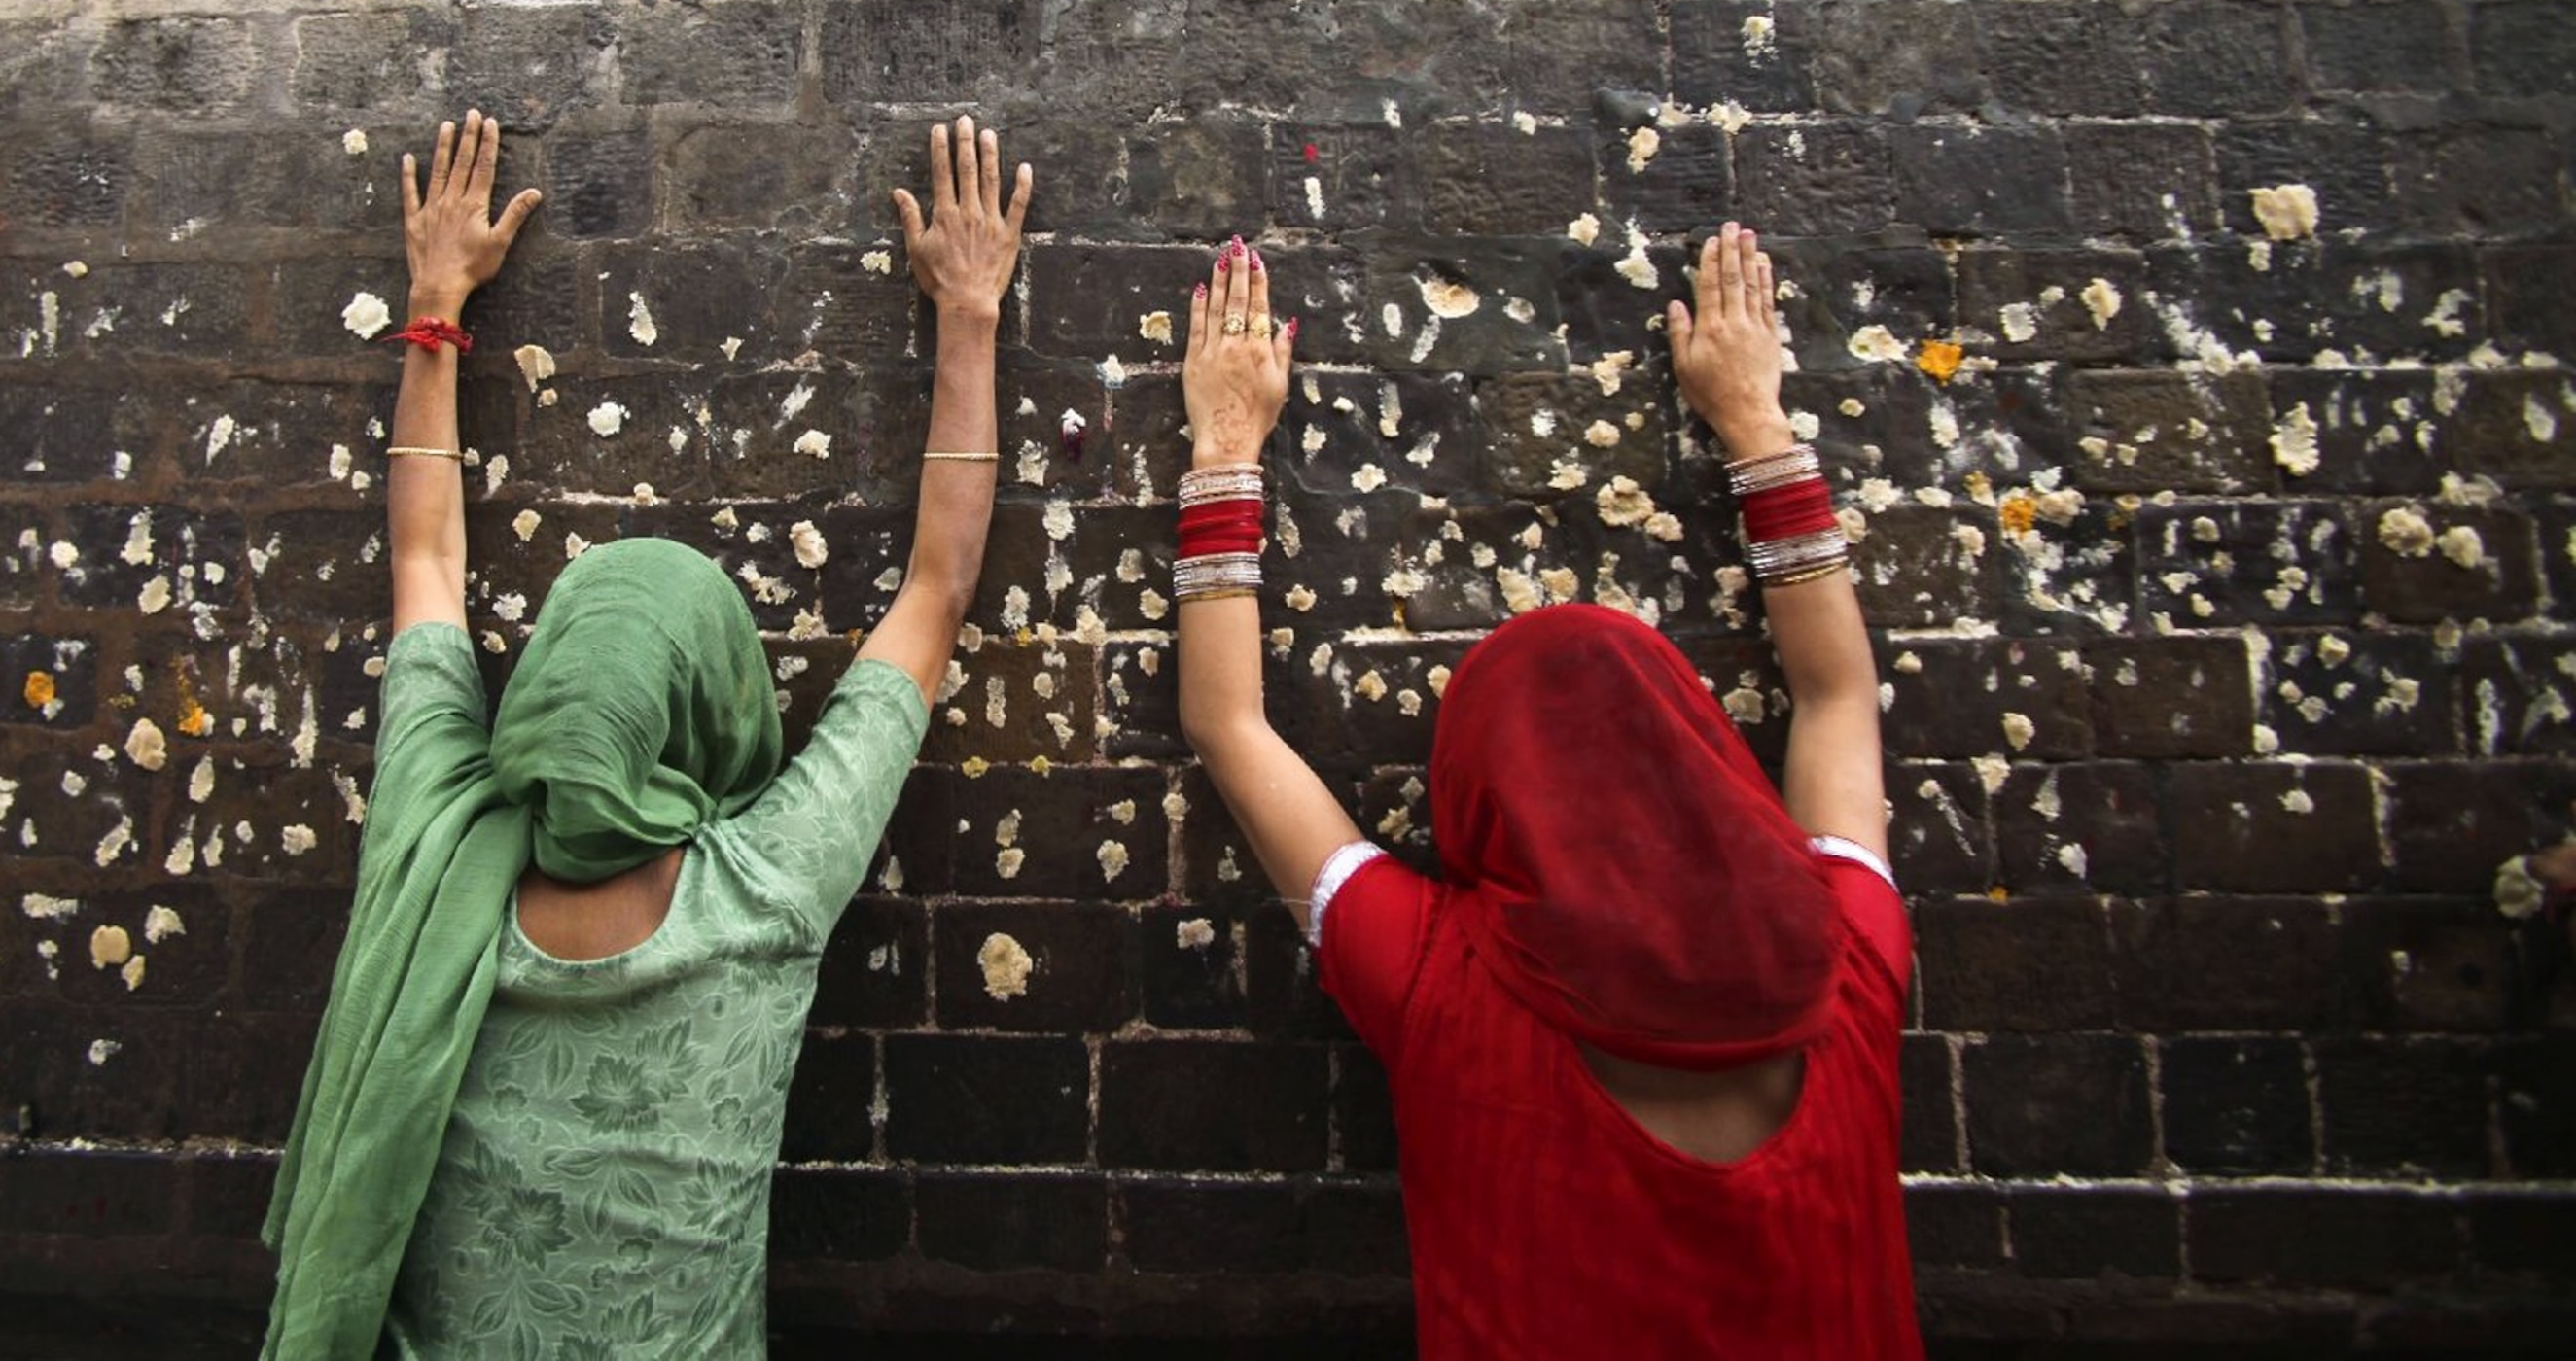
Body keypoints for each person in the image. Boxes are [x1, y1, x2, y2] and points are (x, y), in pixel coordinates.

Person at [263, 110, 1032, 1360]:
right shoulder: (767, 887)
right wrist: (970, 315)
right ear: (717, 708)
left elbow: (425, 557)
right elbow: (935, 593)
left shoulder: (436, 829)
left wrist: (436, 303)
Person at [1170, 226, 1920, 1357]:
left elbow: (1228, 723)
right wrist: (1755, 420)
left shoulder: (1443, 990)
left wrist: (1226, 443)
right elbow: (1838, 698)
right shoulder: (1849, 967)